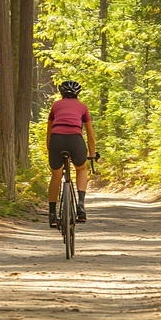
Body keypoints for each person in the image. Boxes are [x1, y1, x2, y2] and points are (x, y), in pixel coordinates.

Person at [46, 80, 97, 228]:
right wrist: (92, 154)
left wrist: (50, 149)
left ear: (62, 93)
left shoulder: (56, 105)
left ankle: (52, 214)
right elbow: (90, 134)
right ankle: (81, 205)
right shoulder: (82, 107)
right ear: (77, 94)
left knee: (56, 175)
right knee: (81, 168)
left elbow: (49, 130)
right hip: (75, 140)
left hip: (56, 140)